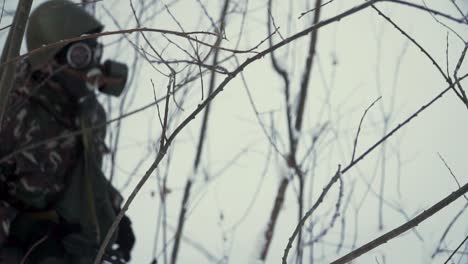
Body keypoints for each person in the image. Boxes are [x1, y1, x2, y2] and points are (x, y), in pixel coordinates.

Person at [0, 0, 135, 263]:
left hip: (72, 245)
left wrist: (115, 215)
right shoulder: (12, 109)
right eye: (80, 56)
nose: (91, 66)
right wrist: (22, 244)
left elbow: (84, 172)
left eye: (94, 54)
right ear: (48, 59)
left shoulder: (90, 112)